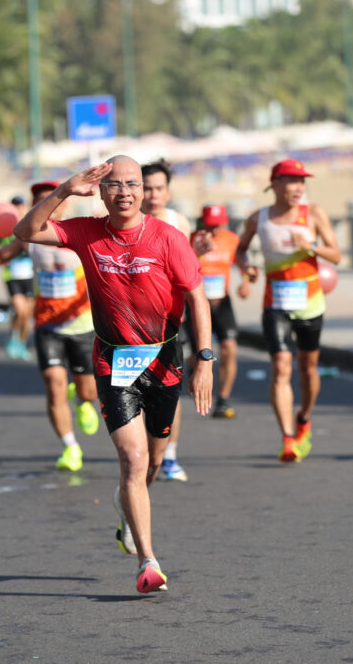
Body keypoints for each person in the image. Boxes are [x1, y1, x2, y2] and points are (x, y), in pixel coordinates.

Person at [14, 156, 213, 595]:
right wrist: (65, 190)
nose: (124, 192)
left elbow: (197, 297)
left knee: (155, 462)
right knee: (133, 460)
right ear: (101, 192)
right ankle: (148, 560)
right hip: (113, 362)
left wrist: (204, 359)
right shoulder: (86, 232)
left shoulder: (168, 238)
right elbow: (24, 232)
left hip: (163, 359)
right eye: (114, 185)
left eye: (132, 184)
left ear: (143, 190)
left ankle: (128, 510)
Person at [0, 180, 100, 472]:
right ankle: (70, 447)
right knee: (53, 387)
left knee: (89, 392)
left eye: (55, 198)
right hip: (47, 326)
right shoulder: (27, 239)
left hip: (82, 326)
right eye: (43, 200)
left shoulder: (81, 233)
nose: (51, 205)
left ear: (65, 202)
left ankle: (82, 400)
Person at [236, 159, 342, 463]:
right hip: (275, 303)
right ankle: (287, 439)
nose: (297, 188)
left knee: (308, 370)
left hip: (310, 304)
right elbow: (241, 250)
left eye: (302, 182)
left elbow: (336, 255)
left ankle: (304, 418)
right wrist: (247, 271)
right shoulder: (259, 218)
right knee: (281, 366)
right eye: (291, 181)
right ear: (275, 184)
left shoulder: (314, 214)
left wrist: (311, 246)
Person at [140, 159, 194, 482]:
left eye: (159, 188)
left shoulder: (179, 223)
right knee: (139, 392)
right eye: (146, 187)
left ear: (168, 191)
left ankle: (169, 456)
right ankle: (146, 452)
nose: (153, 194)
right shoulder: (127, 222)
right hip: (132, 326)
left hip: (170, 323)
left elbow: (189, 272)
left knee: (169, 389)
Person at [185, 203, 252, 419]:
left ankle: (223, 400)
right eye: (210, 225)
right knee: (200, 354)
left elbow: (243, 261)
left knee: (229, 348)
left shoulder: (231, 239)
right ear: (202, 222)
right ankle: (191, 367)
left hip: (222, 302)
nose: (214, 230)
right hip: (196, 303)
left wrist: (246, 280)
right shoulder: (191, 238)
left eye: (218, 225)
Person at [0, 200, 35, 362]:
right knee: (20, 310)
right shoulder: (4, 228)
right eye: (15, 206)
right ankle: (13, 338)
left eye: (20, 206)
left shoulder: (31, 224)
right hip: (12, 276)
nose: (18, 209)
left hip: (30, 275)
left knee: (28, 317)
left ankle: (22, 343)